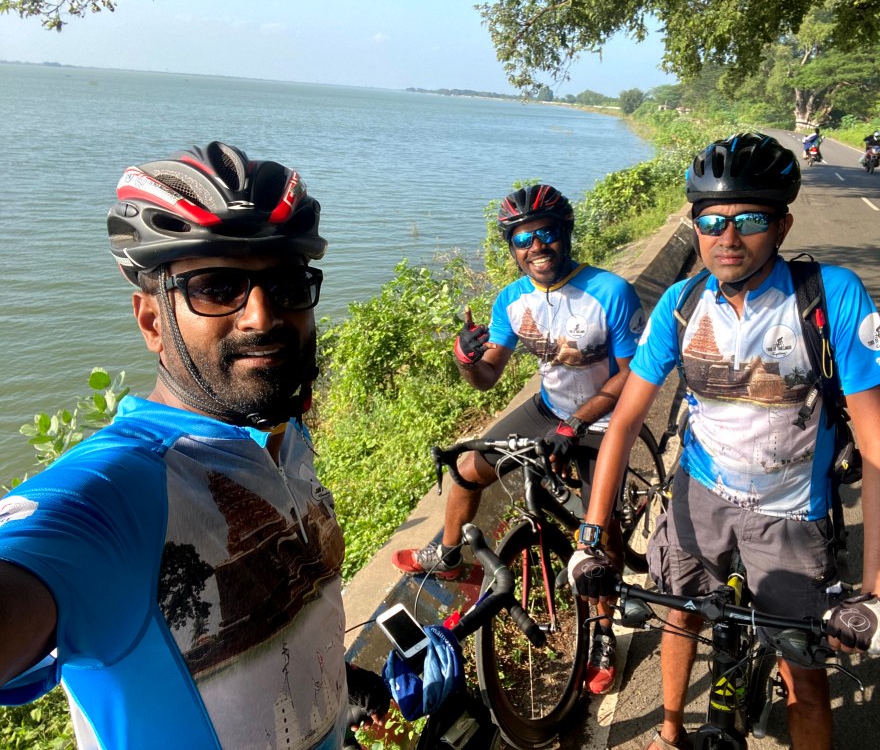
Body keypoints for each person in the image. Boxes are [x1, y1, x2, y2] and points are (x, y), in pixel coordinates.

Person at [0, 142, 390, 749]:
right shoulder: (117, 491)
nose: (262, 316)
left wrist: (336, 680)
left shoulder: (280, 437)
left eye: (287, 284)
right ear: (152, 322)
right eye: (216, 287)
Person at [568, 132, 880, 750]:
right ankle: (669, 730)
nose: (727, 236)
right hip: (700, 493)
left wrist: (878, 590)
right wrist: (590, 539)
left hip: (792, 512)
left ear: (781, 226)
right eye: (710, 221)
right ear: (695, 227)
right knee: (680, 614)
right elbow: (626, 419)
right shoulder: (681, 303)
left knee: (805, 677)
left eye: (749, 220)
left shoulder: (830, 296)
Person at [391, 183, 647, 694]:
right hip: (549, 410)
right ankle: (448, 554)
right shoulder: (511, 300)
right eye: (523, 239)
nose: (536, 247)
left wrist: (576, 425)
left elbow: (630, 375)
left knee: (600, 530)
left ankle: (602, 632)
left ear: (565, 234)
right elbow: (486, 377)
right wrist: (465, 358)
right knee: (467, 469)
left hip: (604, 419)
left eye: (545, 234)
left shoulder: (609, 292)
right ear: (512, 247)